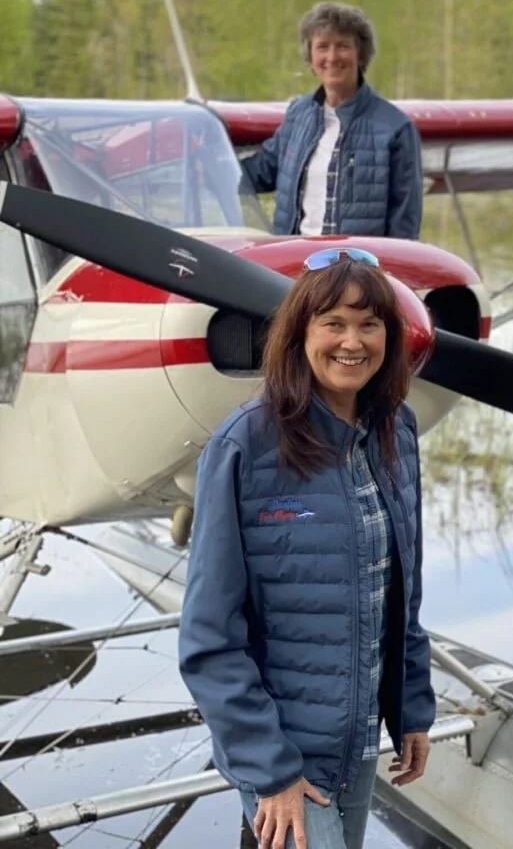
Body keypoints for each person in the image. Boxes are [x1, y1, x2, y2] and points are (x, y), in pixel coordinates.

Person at [178, 247, 435, 849]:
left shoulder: (399, 432)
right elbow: (208, 637)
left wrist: (412, 706)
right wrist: (271, 771)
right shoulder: (245, 445)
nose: (353, 342)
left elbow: (401, 592)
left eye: (370, 323)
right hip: (284, 753)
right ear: (300, 333)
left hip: (357, 744)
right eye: (334, 324)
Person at [242, 2, 423, 240]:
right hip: (296, 264)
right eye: (322, 47)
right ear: (310, 59)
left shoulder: (395, 128)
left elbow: (405, 224)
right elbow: (261, 172)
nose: (332, 57)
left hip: (356, 270)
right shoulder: (299, 115)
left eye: (343, 46)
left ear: (361, 55)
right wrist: (207, 165)